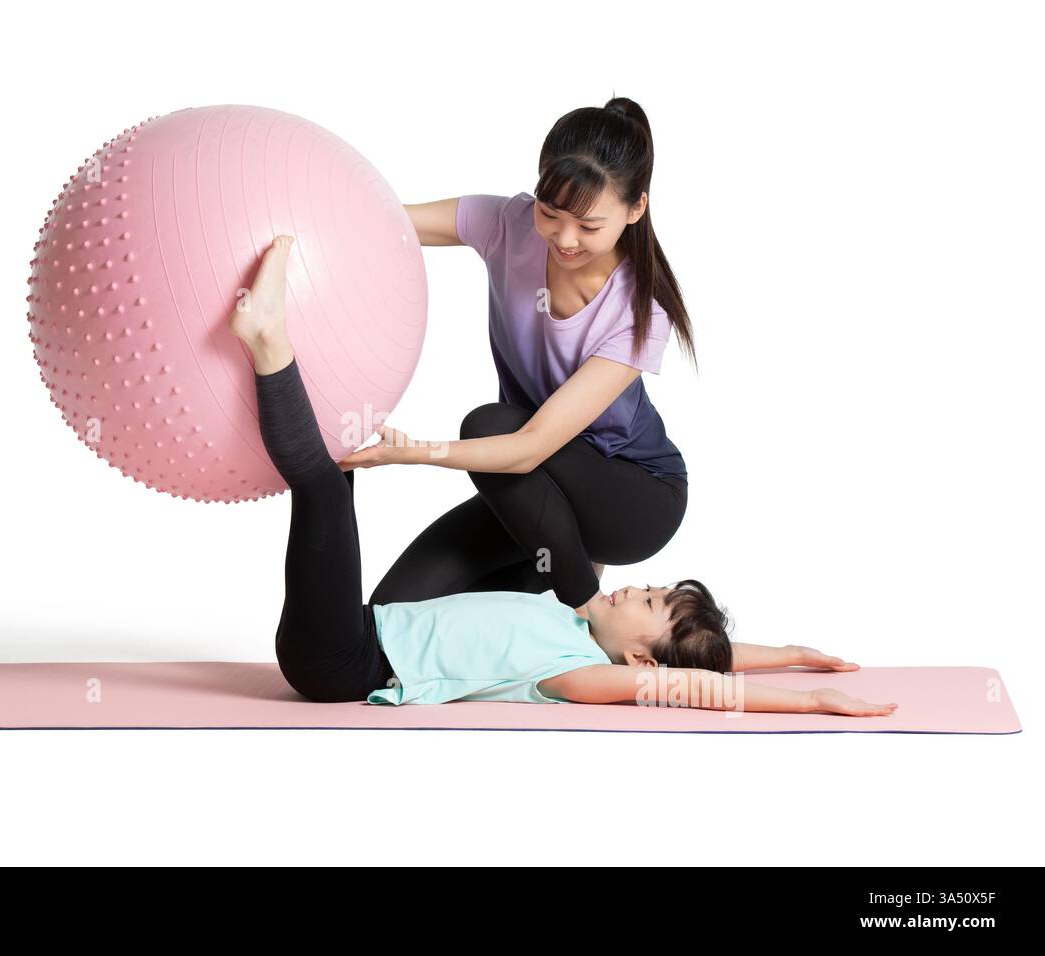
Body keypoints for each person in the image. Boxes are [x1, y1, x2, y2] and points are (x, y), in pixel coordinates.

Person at [230, 235, 898, 717]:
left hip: (344, 660)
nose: (634, 587)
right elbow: (702, 657)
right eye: (650, 587)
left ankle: (266, 339)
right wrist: (790, 651)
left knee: (321, 490)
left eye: (647, 603)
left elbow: (695, 684)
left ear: (639, 662)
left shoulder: (573, 673)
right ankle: (291, 346)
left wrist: (810, 701)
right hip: (366, 626)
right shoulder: (571, 622)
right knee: (341, 469)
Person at [347, 98, 691, 618]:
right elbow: (383, 221)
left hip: (634, 496)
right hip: (529, 489)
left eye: (589, 226)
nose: (565, 239)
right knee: (389, 612)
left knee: (490, 424)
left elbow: (528, 446)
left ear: (635, 209)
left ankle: (591, 607)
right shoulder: (508, 224)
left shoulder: (638, 312)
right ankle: (564, 579)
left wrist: (412, 453)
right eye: (550, 214)